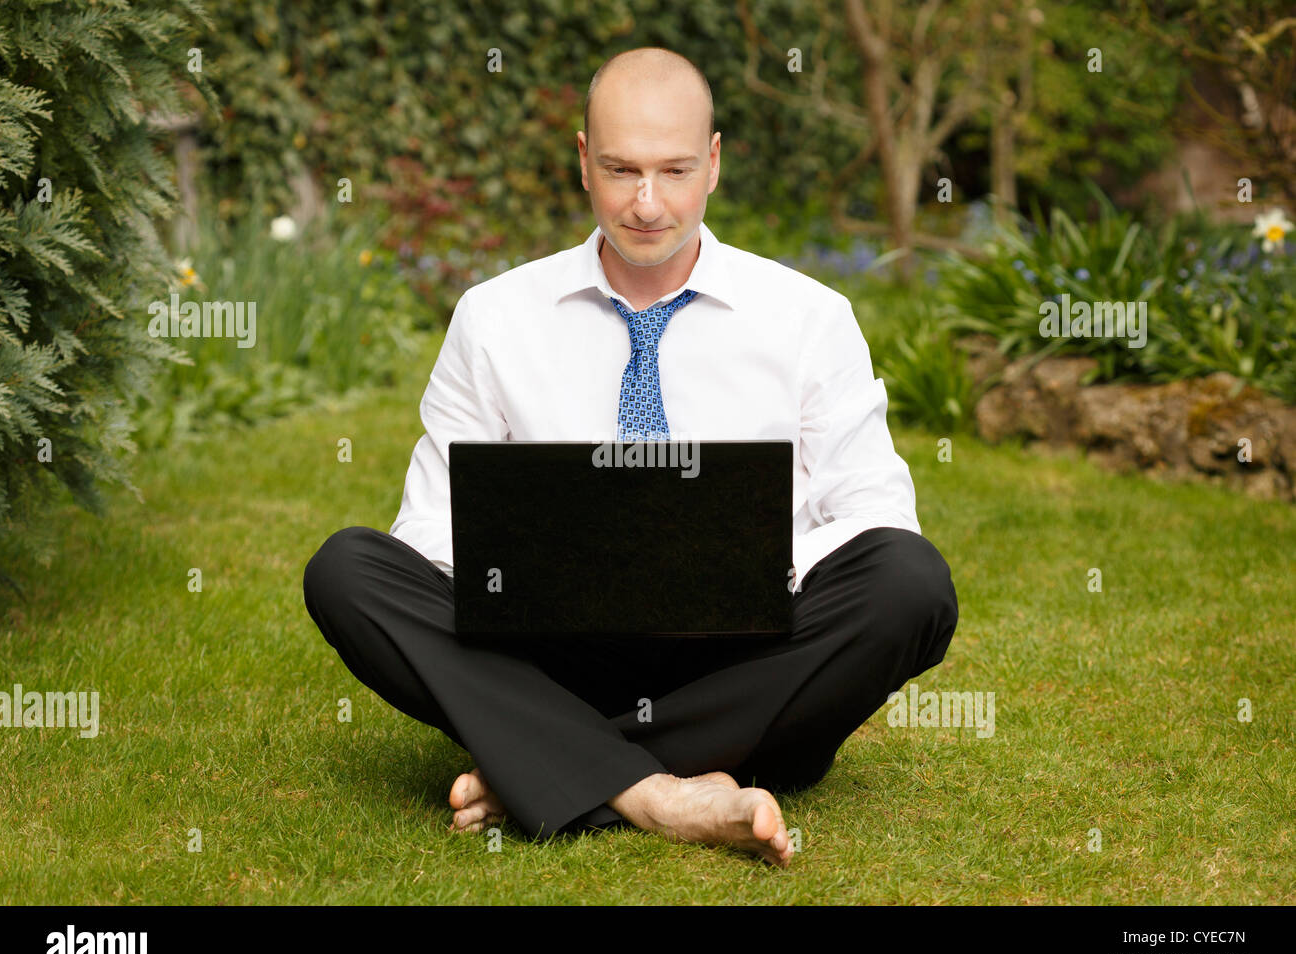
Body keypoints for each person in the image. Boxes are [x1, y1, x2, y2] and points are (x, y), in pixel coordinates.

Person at [303, 47, 958, 868]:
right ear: (583, 161)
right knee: (348, 568)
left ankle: (549, 764)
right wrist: (525, 566)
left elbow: (878, 516)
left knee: (912, 583)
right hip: (554, 656)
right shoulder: (494, 318)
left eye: (675, 171)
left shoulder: (808, 318)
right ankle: (656, 793)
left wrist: (759, 563)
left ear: (713, 162)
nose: (648, 204)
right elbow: (429, 532)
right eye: (621, 170)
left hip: (741, 655)